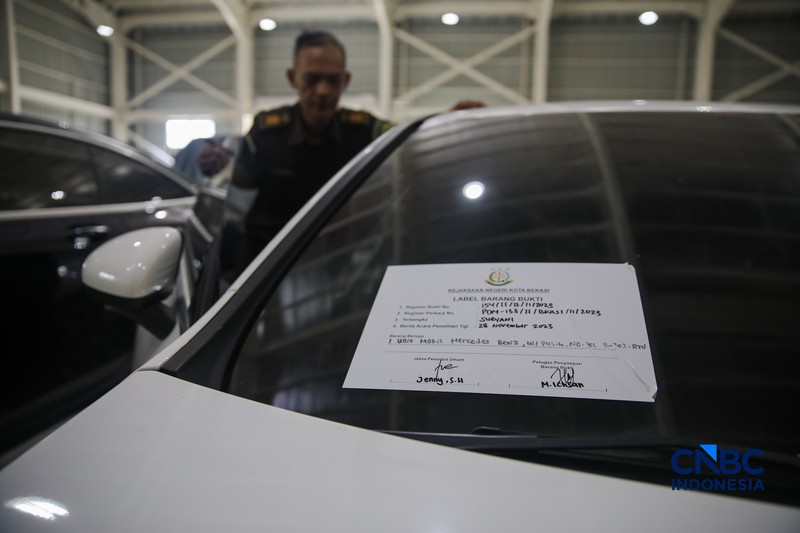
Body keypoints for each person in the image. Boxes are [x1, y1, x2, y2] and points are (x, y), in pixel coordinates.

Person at [228, 30, 484, 279]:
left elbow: (409, 142)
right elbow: (237, 182)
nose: (323, 91)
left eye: (333, 80)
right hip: (261, 273)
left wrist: (444, 123)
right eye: (312, 79)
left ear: (346, 81)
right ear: (293, 77)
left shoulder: (365, 131)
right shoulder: (266, 132)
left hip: (336, 270)